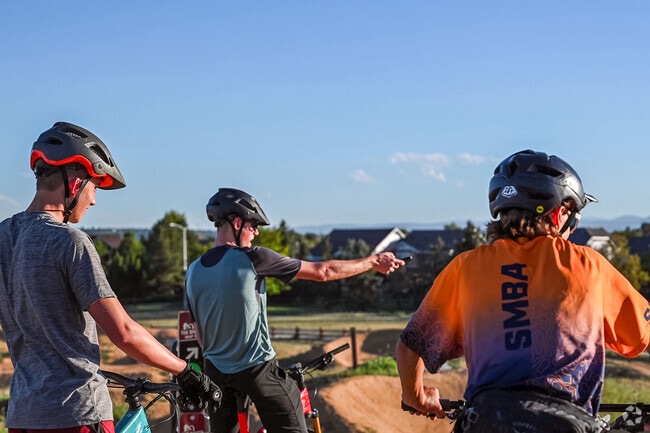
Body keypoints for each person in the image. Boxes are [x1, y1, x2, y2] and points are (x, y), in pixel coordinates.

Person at [395, 149, 650, 433]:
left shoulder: (464, 268)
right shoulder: (589, 266)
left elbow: (410, 349)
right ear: (560, 214)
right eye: (572, 218)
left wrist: (416, 396)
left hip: (485, 422)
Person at [0, 122, 214, 433]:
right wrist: (185, 371)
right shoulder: (69, 242)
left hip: (22, 415)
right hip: (76, 415)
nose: (94, 200)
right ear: (74, 183)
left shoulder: (3, 237)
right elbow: (123, 332)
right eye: (94, 187)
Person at [185, 187, 406, 433]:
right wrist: (374, 262)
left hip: (215, 377)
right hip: (257, 371)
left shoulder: (193, 271)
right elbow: (324, 272)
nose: (256, 233)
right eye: (252, 225)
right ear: (236, 223)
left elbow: (199, 335)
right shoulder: (253, 258)